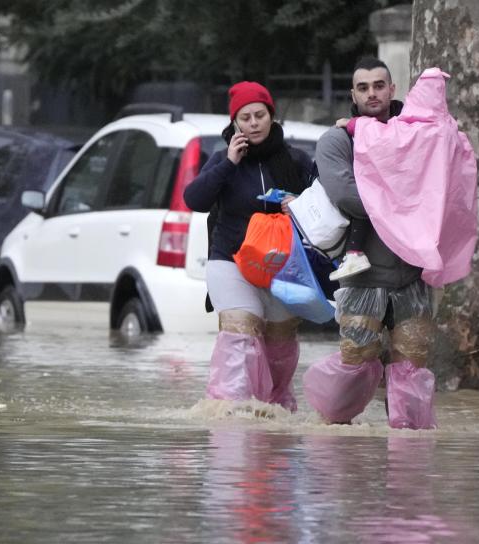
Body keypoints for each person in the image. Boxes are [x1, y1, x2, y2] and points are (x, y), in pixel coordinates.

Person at [303, 57, 437, 429]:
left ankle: (411, 458)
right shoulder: (336, 140)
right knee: (357, 360)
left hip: (413, 273)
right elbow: (346, 195)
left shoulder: (415, 133)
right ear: (353, 93)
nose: (372, 93)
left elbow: (440, 182)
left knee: (412, 364)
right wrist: (406, 202)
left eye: (379, 85)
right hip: (361, 275)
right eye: (363, 87)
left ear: (392, 90)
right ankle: (328, 432)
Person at [184, 81, 315, 412]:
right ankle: (228, 410)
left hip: (284, 266)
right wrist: (229, 163)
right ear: (235, 123)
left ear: (271, 116)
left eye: (260, 115)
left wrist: (299, 204)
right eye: (245, 117)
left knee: (279, 345)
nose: (254, 123)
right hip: (230, 261)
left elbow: (322, 209)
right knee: (241, 334)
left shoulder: (297, 161)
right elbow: (194, 199)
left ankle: (274, 409)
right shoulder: (222, 160)